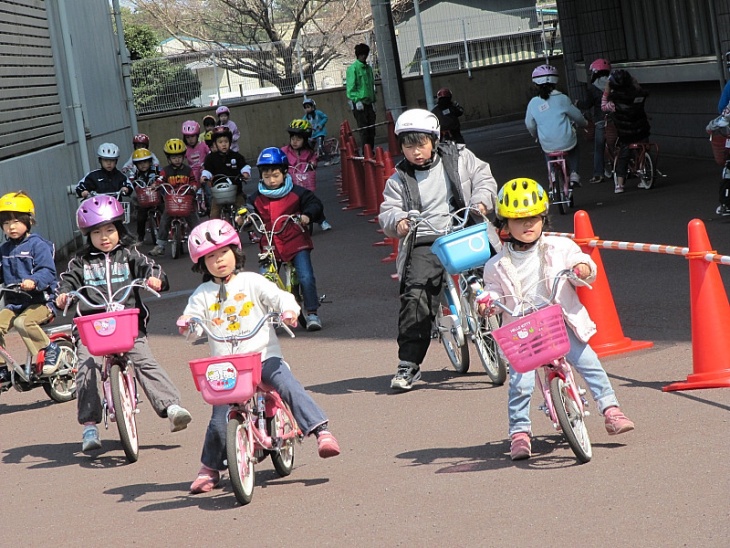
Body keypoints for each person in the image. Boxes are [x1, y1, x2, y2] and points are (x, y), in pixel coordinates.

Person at [178, 219, 340, 494]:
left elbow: (280, 298)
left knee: (287, 385)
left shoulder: (252, 281)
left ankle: (320, 430)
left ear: (236, 251)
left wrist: (289, 311)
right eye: (211, 257)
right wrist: (188, 323)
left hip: (264, 356)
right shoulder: (202, 294)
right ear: (201, 263)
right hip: (227, 367)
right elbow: (192, 323)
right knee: (220, 416)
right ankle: (209, 468)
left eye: (224, 253)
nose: (219, 261)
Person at [477, 178, 634, 460]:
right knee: (520, 381)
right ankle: (520, 433)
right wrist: (488, 301)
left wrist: (583, 268)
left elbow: (580, 262)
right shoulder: (496, 264)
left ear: (543, 218)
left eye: (534, 218)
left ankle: (611, 409)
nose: (528, 225)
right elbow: (493, 291)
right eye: (518, 220)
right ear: (505, 225)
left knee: (587, 361)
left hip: (559, 321)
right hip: (523, 332)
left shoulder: (559, 247)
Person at [55, 195, 192, 453]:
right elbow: (66, 283)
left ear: (119, 229)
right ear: (88, 235)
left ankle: (171, 407)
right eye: (97, 232)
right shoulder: (80, 262)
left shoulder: (129, 254)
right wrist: (63, 295)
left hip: (127, 323)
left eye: (109, 230)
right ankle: (89, 425)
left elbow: (150, 268)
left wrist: (154, 279)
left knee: (143, 359)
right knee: (87, 368)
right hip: (91, 326)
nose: (104, 237)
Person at [378, 109, 500, 391]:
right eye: (409, 146)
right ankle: (408, 365)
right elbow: (388, 211)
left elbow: (485, 180)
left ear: (434, 140)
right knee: (417, 295)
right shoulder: (398, 179)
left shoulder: (460, 158)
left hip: (464, 228)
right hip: (426, 240)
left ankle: (511, 341)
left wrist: (482, 202)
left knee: (496, 279)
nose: (416, 152)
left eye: (421, 144)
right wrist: (400, 222)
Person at [243, 147, 325, 331]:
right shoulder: (256, 197)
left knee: (306, 277)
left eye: (275, 175)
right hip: (270, 245)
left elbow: (314, 203)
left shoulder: (297, 192)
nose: (271, 180)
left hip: (296, 242)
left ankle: (312, 313)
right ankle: (266, 318)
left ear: (285, 172)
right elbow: (248, 209)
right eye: (266, 176)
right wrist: (245, 217)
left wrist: (307, 216)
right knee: (264, 280)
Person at [0, 192, 60, 384]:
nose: (11, 227)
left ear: (29, 221)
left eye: (17, 221)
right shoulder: (4, 250)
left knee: (22, 323)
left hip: (41, 301)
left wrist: (34, 281)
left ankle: (50, 349)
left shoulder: (38, 245)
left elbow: (47, 271)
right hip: (15, 304)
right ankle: (2, 369)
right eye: (6, 223)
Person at [525, 64, 587, 188]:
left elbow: (529, 124)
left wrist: (535, 135)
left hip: (547, 142)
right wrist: (584, 124)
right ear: (555, 81)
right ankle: (574, 173)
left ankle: (552, 175)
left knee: (546, 149)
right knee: (574, 147)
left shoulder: (533, 103)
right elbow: (577, 116)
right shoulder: (562, 98)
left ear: (536, 83)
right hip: (566, 140)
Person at [601, 69, 651, 194]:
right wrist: (635, 83)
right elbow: (641, 91)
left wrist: (606, 91)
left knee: (623, 156)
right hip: (642, 130)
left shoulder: (614, 103)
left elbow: (603, 106)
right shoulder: (639, 96)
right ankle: (644, 170)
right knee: (643, 148)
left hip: (626, 134)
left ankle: (620, 184)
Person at [150, 138, 200, 257]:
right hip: (172, 201)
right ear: (168, 158)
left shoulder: (188, 170)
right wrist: (156, 185)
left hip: (186, 201)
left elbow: (194, 181)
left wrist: (194, 186)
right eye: (173, 157)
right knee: (165, 218)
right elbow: (160, 179)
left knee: (193, 219)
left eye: (179, 157)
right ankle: (160, 245)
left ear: (183, 157)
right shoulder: (166, 171)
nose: (176, 160)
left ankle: (200, 241)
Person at [282, 118, 332, 231]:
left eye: (298, 139)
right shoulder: (285, 151)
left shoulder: (308, 152)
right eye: (292, 139)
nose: (294, 142)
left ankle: (321, 220)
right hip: (290, 182)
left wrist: (313, 163)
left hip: (305, 181)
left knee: (313, 202)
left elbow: (314, 159)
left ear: (305, 140)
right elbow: (278, 159)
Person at [200, 126, 251, 220]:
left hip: (235, 192)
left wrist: (245, 173)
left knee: (243, 212)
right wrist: (204, 176)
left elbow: (244, 166)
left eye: (226, 142)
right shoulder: (211, 158)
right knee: (214, 215)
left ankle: (251, 233)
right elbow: (207, 170)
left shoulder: (236, 156)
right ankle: (214, 233)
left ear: (230, 142)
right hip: (218, 194)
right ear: (215, 144)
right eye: (220, 142)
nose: (224, 144)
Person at [577, 58, 612, 184]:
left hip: (601, 120)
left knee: (599, 147)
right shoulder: (614, 83)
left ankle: (598, 174)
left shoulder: (593, 88)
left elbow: (587, 104)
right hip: (616, 118)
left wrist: (577, 103)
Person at [346, 43, 376, 152]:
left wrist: (373, 101)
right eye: (361, 54)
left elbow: (371, 86)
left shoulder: (368, 68)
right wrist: (356, 100)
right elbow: (350, 87)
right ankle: (366, 152)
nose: (364, 56)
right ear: (357, 55)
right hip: (359, 104)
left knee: (372, 129)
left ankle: (370, 150)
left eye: (365, 54)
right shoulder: (353, 69)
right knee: (364, 129)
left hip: (369, 102)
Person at [127, 148, 162, 244]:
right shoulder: (136, 173)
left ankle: (167, 232)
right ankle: (140, 236)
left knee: (164, 211)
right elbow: (130, 181)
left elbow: (162, 176)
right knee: (141, 217)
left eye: (145, 162)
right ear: (136, 164)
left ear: (150, 162)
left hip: (156, 196)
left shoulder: (155, 170)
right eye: (140, 163)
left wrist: (159, 182)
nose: (143, 165)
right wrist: (133, 185)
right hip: (144, 199)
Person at [302, 97, 330, 162]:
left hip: (320, 133)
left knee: (320, 146)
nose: (307, 109)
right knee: (309, 148)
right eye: (305, 108)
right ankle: (312, 161)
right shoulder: (305, 117)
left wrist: (320, 124)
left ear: (313, 107)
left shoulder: (318, 113)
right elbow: (302, 123)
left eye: (308, 107)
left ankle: (328, 159)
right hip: (312, 135)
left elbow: (325, 118)